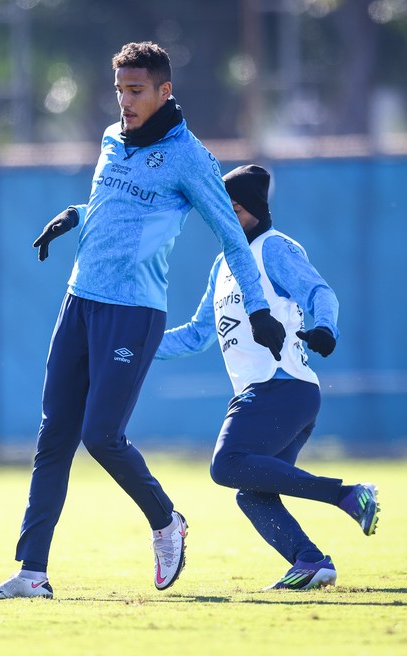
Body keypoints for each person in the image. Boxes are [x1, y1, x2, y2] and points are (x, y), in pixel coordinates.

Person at [0, 42, 288, 600]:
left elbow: (232, 237)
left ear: (165, 91)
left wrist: (259, 309)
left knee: (102, 436)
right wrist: (76, 215)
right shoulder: (112, 141)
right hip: (79, 303)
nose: (125, 101)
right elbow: (120, 210)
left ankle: (167, 522)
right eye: (119, 90)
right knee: (54, 438)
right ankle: (31, 572)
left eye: (136, 90)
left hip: (133, 312)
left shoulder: (191, 158)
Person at [155, 163, 381, 590]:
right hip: (268, 394)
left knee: (226, 465)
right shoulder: (223, 263)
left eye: (235, 209)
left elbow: (320, 293)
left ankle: (347, 495)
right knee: (251, 492)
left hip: (283, 388)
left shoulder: (274, 249)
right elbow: (197, 335)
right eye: (222, 210)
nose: (226, 219)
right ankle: (310, 561)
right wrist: (135, 347)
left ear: (256, 210)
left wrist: (326, 328)